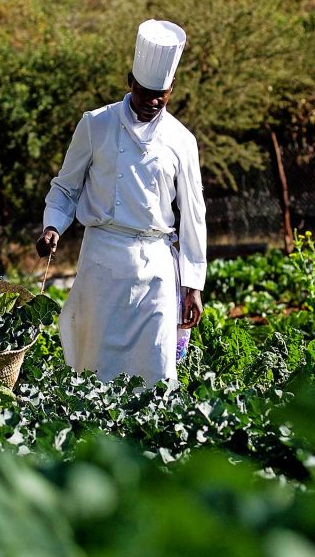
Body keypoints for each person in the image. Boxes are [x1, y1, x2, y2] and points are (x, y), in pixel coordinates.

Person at [36, 19, 206, 387]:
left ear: (171, 90)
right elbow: (66, 188)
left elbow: (194, 215)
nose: (152, 102)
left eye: (160, 94)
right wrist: (52, 226)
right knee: (97, 366)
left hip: (156, 265)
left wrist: (193, 286)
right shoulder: (95, 124)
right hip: (102, 259)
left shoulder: (182, 140)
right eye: (144, 92)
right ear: (130, 82)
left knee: (157, 366)